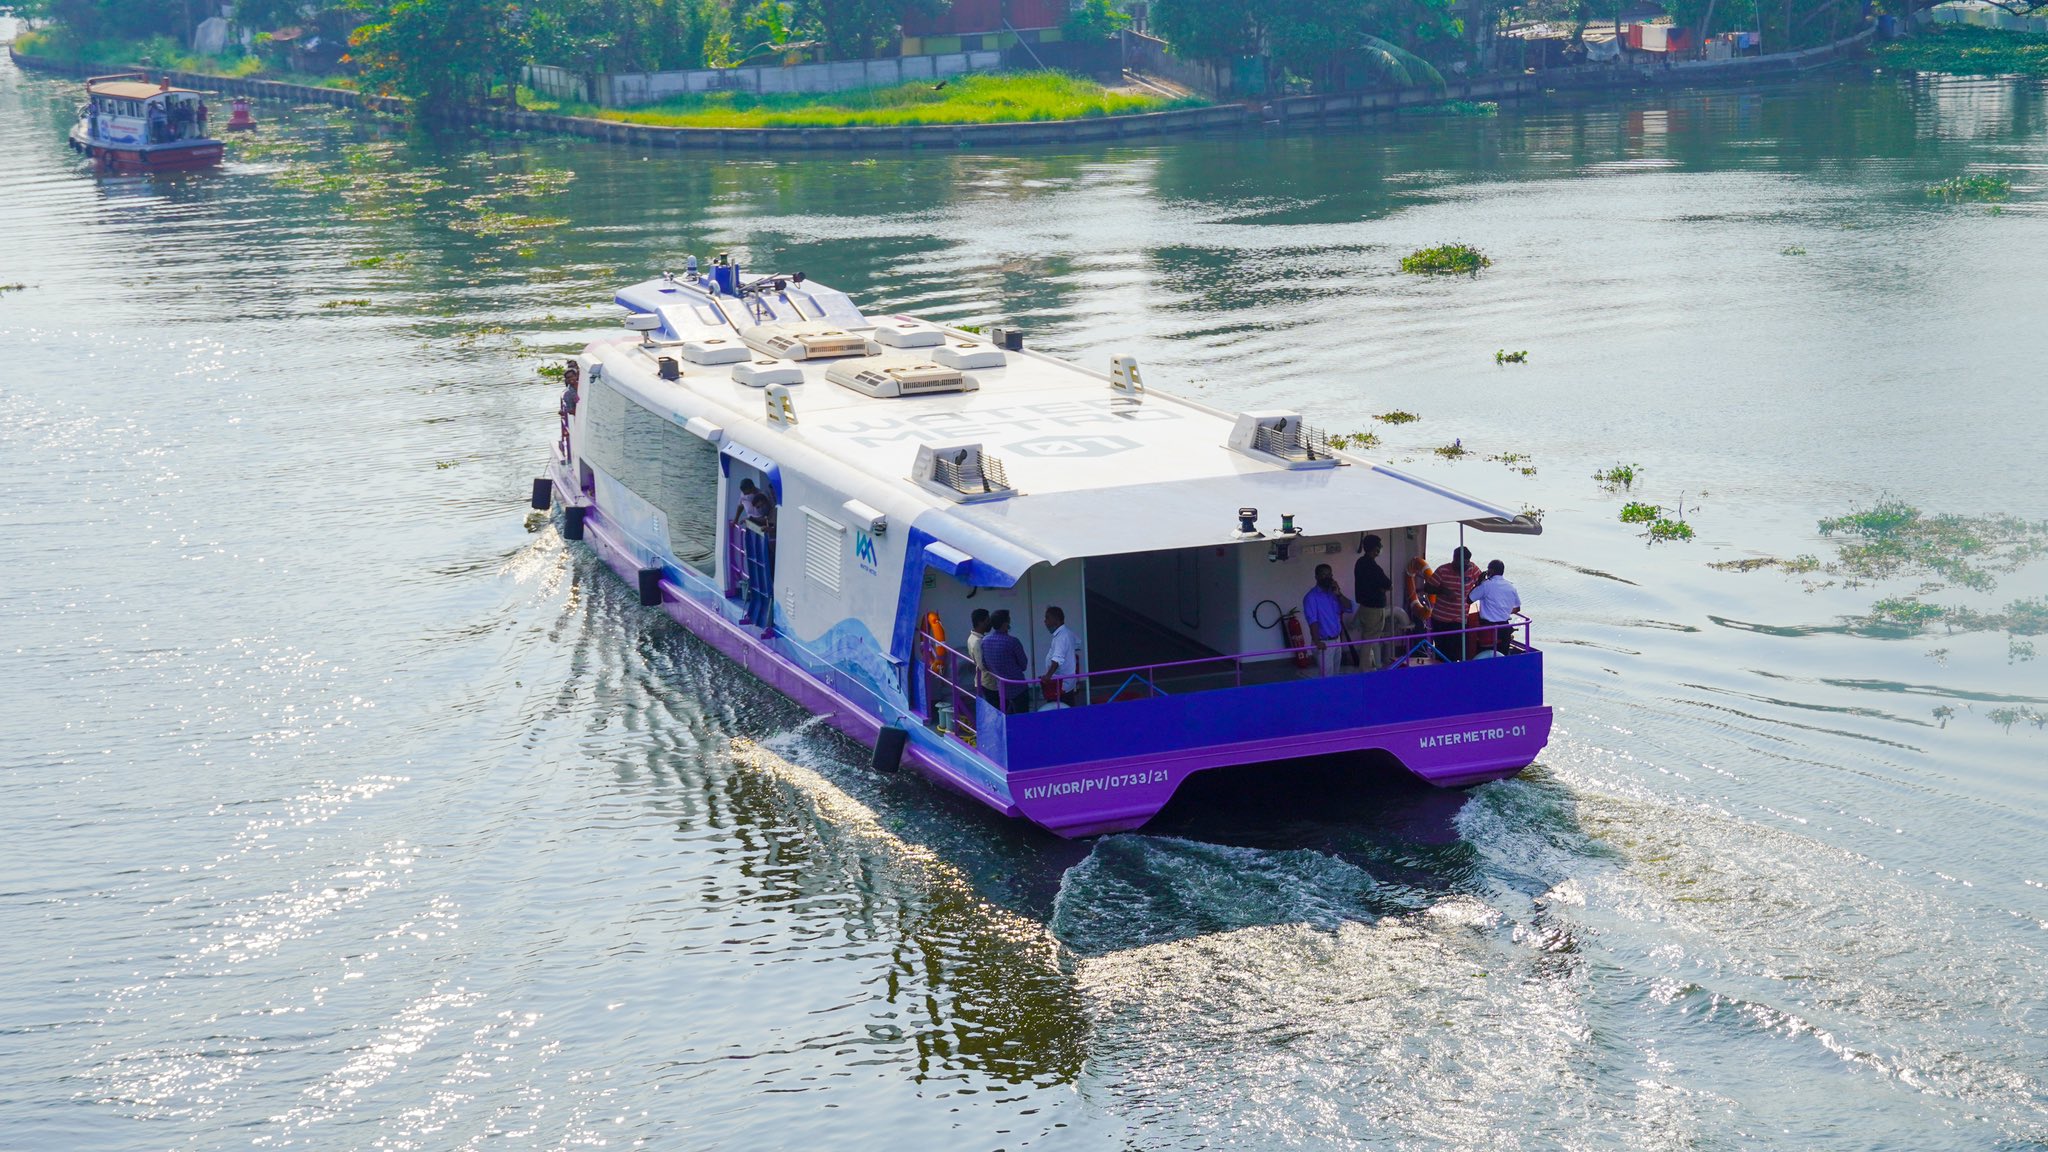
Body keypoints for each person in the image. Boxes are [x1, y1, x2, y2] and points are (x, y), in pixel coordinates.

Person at [1429, 546, 1484, 661]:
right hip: (1441, 619)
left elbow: (1481, 584)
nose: (1463, 568)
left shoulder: (1473, 569)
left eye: (1465, 564)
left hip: (1460, 619)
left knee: (1456, 651)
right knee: (1441, 650)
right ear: (1454, 559)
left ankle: (1453, 673)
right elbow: (1428, 587)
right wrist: (1444, 591)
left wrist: (1473, 593)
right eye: (1459, 564)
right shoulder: (1443, 570)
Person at [1302, 563, 1354, 678]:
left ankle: (1334, 696)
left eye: (1329, 574)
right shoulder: (1311, 597)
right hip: (1323, 643)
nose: (1327, 577)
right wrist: (1317, 641)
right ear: (1316, 577)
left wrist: (1339, 594)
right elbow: (1312, 621)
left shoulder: (1334, 594)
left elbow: (1350, 608)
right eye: (1323, 575)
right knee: (1327, 677)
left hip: (1337, 640)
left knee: (1335, 674)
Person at [1352, 533, 1395, 669]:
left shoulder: (1360, 563)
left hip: (1364, 607)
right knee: (1369, 641)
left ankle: (1370, 666)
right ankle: (1366, 669)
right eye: (1380, 546)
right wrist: (1383, 589)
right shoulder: (1373, 567)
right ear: (1375, 549)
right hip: (1374, 609)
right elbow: (1389, 584)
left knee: (1367, 638)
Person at [979, 610, 1030, 713]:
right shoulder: (1013, 642)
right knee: (1022, 718)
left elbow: (985, 664)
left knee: (1005, 718)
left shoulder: (985, 641)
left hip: (1001, 688)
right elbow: (1024, 665)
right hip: (1018, 688)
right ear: (1006, 623)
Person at [1472, 560, 1522, 655]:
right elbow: (1517, 608)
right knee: (1503, 655)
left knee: (1485, 655)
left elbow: (1470, 599)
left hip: (1488, 629)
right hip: (1504, 627)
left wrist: (1479, 583)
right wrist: (1503, 610)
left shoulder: (1485, 585)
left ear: (1491, 571)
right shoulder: (1510, 587)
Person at [1041, 606, 1078, 707]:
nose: (1045, 621)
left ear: (1056, 620)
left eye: (1047, 618)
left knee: (1059, 712)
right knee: (1069, 708)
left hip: (1060, 686)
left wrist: (1048, 676)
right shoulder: (1067, 633)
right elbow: (1078, 644)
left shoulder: (1061, 637)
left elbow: (1057, 660)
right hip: (1067, 683)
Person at [966, 608, 991, 699]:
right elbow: (982, 665)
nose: (990, 623)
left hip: (982, 681)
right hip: (987, 683)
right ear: (980, 622)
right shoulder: (978, 641)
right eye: (987, 621)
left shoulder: (971, 637)